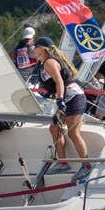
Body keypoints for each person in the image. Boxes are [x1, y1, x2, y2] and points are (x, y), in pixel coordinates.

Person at [32, 38, 89, 177]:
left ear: (42, 49)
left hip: (73, 98)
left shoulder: (50, 62)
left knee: (73, 133)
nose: (33, 49)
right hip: (67, 98)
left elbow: (59, 82)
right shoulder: (43, 63)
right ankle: (63, 164)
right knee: (54, 128)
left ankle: (87, 166)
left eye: (35, 47)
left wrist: (59, 99)